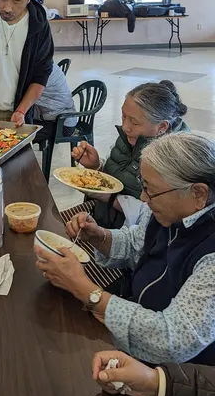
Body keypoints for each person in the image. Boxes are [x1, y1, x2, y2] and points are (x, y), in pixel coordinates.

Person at [35, 131, 215, 367]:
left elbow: (171, 339)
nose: (142, 198)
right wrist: (100, 236)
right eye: (143, 185)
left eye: (150, 189)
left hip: (174, 375)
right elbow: (135, 245)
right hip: (131, 305)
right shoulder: (166, 209)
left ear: (198, 194)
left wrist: (86, 290)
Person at [69, 81, 188, 229]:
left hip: (133, 236)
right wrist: (96, 167)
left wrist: (107, 197)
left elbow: (155, 216)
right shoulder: (130, 137)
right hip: (103, 218)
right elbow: (116, 180)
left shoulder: (175, 159)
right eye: (124, 117)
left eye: (135, 122)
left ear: (162, 127)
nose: (125, 127)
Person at [33, 62, 77, 142]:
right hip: (49, 117)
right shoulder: (43, 62)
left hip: (61, 124)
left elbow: (22, 97)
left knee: (21, 136)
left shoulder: (43, 69)